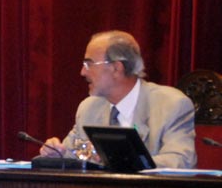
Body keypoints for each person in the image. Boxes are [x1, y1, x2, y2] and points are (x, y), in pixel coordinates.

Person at [41, 30, 196, 168]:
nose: (83, 72)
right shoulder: (88, 108)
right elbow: (77, 154)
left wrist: (127, 162)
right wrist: (57, 154)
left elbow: (181, 160)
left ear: (116, 68)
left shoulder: (171, 104)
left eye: (89, 64)